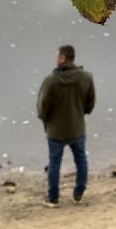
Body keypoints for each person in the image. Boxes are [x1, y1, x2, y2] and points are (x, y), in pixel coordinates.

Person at [36, 44, 96, 207]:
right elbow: (90, 103)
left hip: (56, 131)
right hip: (77, 128)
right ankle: (78, 194)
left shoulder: (51, 81)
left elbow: (43, 106)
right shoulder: (86, 77)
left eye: (57, 56)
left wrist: (46, 121)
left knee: (55, 162)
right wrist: (80, 113)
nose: (55, 59)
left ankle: (53, 198)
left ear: (64, 58)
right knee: (81, 159)